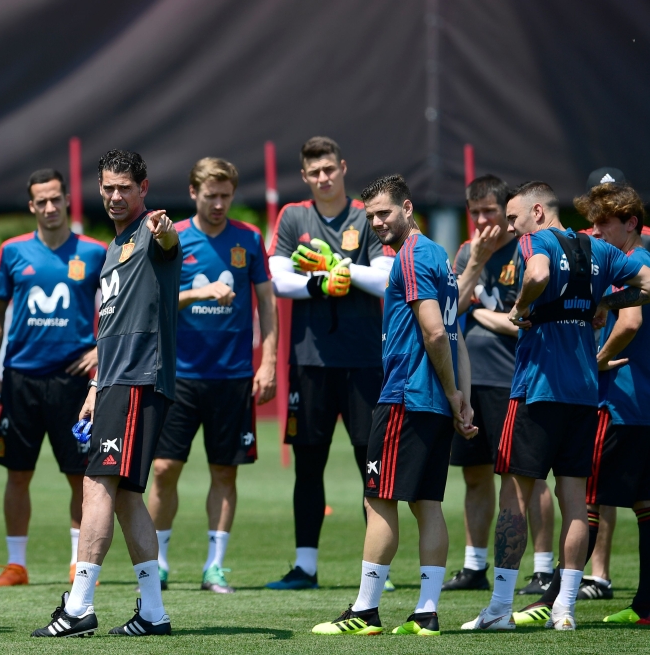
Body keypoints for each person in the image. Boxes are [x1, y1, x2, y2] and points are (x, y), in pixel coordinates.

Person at [463, 181, 650, 632]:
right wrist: (606, 300)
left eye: (513, 217)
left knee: (515, 495)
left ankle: (499, 609)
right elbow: (646, 284)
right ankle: (564, 609)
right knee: (575, 502)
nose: (511, 227)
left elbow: (538, 275)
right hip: (584, 393)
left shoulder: (537, 242)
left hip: (538, 390)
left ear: (538, 212)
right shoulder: (599, 250)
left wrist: (520, 308)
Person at [311, 174, 476, 636]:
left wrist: (453, 394)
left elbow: (436, 331)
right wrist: (460, 397)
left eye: (384, 212)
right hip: (434, 401)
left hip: (407, 396)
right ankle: (426, 612)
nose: (378, 222)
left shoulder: (413, 255)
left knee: (379, 499)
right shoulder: (439, 255)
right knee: (427, 504)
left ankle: (365, 611)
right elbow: (456, 335)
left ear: (407, 208)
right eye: (371, 217)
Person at [32, 149, 180, 637]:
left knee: (96, 485)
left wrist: (165, 231)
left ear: (143, 188)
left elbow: (169, 241)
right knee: (126, 497)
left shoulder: (150, 232)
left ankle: (79, 607)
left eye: (125, 188)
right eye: (108, 188)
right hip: (115, 382)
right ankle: (153, 613)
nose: (116, 196)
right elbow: (111, 327)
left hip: (138, 378)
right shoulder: (113, 246)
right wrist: (96, 385)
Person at [266, 136, 394, 590]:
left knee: (370, 465)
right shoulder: (293, 216)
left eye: (329, 169)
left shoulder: (367, 215)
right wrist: (320, 284)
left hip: (363, 361)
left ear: (343, 168)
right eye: (314, 172)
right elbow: (277, 278)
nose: (323, 178)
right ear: (305, 176)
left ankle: (378, 570)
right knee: (308, 464)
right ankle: (305, 567)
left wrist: (342, 269)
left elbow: (386, 279)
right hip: (309, 361)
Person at [148, 158, 278, 594]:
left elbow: (267, 303)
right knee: (163, 468)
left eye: (225, 196)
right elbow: (155, 301)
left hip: (233, 376)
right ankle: (158, 563)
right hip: (178, 375)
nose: (219, 204)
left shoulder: (249, 238)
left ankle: (214, 567)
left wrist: (268, 362)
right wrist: (200, 292)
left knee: (225, 472)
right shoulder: (173, 237)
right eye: (210, 196)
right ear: (193, 193)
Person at [0, 169, 107, 586]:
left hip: (74, 383)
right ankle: (16, 565)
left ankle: (78, 563)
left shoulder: (94, 252)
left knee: (80, 475)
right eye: (42, 201)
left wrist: (100, 350)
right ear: (31, 205)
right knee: (17, 473)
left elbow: (118, 307)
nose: (50, 207)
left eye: (56, 198)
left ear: (67, 199)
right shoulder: (12, 251)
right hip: (21, 379)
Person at [443, 176, 555, 594]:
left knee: (527, 477)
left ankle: (543, 569)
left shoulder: (530, 249)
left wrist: (478, 315)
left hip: (516, 379)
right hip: (472, 379)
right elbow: (450, 309)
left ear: (508, 210)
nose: (482, 219)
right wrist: (475, 263)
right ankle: (474, 567)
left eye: (490, 210)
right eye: (474, 212)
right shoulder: (467, 251)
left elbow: (522, 322)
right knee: (474, 476)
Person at [573, 184, 650, 624]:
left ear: (631, 223)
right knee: (644, 504)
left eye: (605, 223)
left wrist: (597, 360)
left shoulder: (630, 263)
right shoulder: (640, 261)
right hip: (642, 403)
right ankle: (646, 606)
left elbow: (631, 321)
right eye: (594, 223)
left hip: (621, 400)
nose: (596, 231)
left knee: (585, 498)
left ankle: (553, 598)